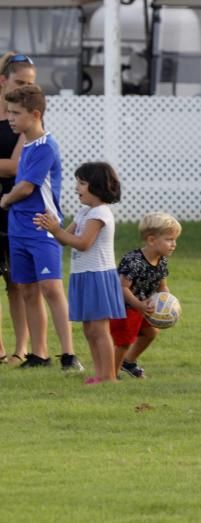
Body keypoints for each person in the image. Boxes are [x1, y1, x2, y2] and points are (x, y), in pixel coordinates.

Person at [0, 84, 80, 370]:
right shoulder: (28, 145)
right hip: (19, 229)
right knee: (28, 291)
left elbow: (25, 187)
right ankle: (39, 354)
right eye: (8, 112)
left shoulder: (46, 145)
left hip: (42, 227)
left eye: (15, 113)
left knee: (51, 289)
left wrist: (5, 199)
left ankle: (69, 355)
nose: (10, 118)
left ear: (35, 114)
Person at [33, 162, 125, 384]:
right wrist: (51, 228)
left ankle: (108, 376)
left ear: (98, 185)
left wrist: (55, 230)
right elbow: (65, 239)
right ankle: (100, 373)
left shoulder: (100, 213)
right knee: (89, 330)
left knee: (99, 329)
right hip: (83, 275)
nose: (76, 188)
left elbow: (82, 243)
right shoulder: (85, 212)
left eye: (82, 183)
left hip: (98, 275)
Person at [110, 212, 181, 378]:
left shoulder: (162, 260)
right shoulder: (134, 261)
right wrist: (138, 305)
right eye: (169, 239)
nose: (174, 244)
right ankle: (111, 375)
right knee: (124, 341)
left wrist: (169, 305)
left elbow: (162, 287)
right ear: (151, 240)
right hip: (125, 307)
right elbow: (122, 288)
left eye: (174, 240)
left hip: (143, 308)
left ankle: (128, 362)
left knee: (151, 333)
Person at [0, 52, 36, 366]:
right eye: (20, 82)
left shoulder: (27, 119)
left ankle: (20, 350)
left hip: (14, 208)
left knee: (17, 282)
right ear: (3, 81)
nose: (26, 89)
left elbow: (14, 167)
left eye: (31, 84)